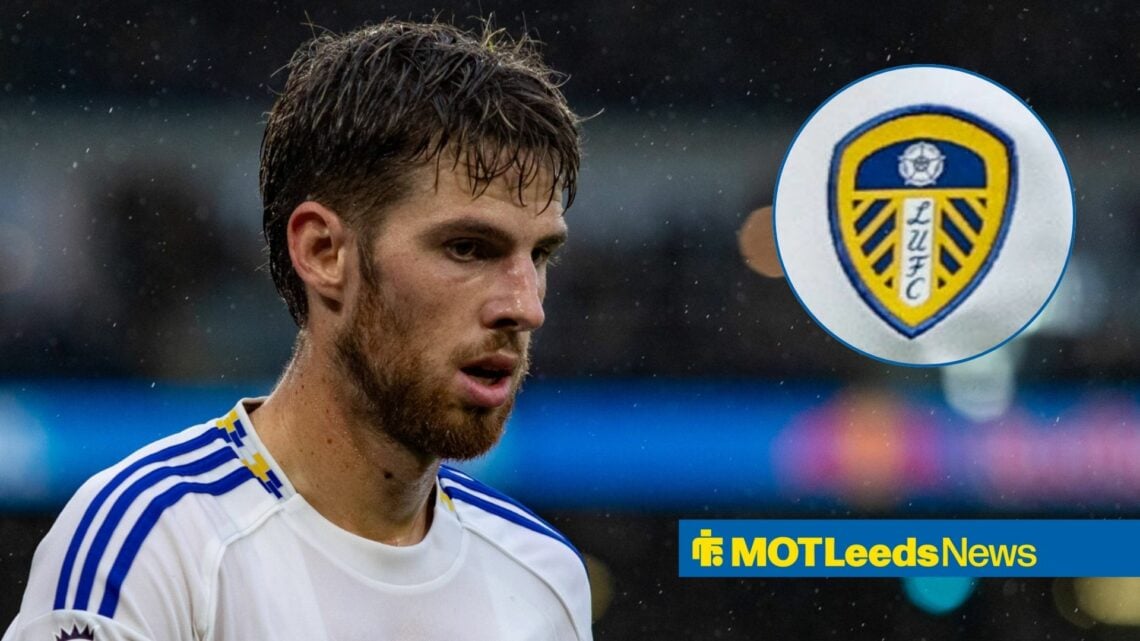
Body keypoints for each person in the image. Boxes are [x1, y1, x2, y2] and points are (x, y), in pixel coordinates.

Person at [4, 19, 591, 641]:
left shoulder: (543, 576)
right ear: (323, 252)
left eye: (541, 256)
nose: (526, 306)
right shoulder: (148, 547)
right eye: (468, 248)